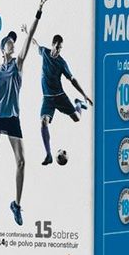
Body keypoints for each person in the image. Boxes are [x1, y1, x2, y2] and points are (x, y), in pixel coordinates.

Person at [0, 0, 47, 225]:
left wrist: (38, 13)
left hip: (13, 117)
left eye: (13, 42)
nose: (12, 44)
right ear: (2, 49)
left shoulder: (19, 64)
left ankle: (16, 205)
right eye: (8, 42)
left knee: (21, 162)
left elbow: (29, 36)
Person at [20, 29, 93, 165]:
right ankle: (48, 155)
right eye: (58, 47)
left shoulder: (61, 63)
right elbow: (34, 43)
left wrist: (84, 95)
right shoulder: (44, 52)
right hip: (48, 98)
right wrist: (26, 32)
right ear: (53, 44)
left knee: (77, 118)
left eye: (61, 48)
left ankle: (78, 104)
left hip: (60, 97)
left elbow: (72, 80)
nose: (59, 50)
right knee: (43, 121)